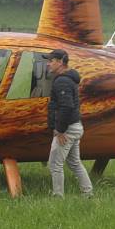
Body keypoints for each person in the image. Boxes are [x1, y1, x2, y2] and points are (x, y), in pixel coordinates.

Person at [43, 49, 93, 198]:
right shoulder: (68, 79)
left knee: (54, 164)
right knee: (74, 163)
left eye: (51, 61)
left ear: (60, 62)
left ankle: (58, 196)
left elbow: (66, 106)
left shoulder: (62, 81)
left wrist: (59, 129)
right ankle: (88, 193)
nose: (48, 64)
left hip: (67, 129)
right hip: (75, 126)